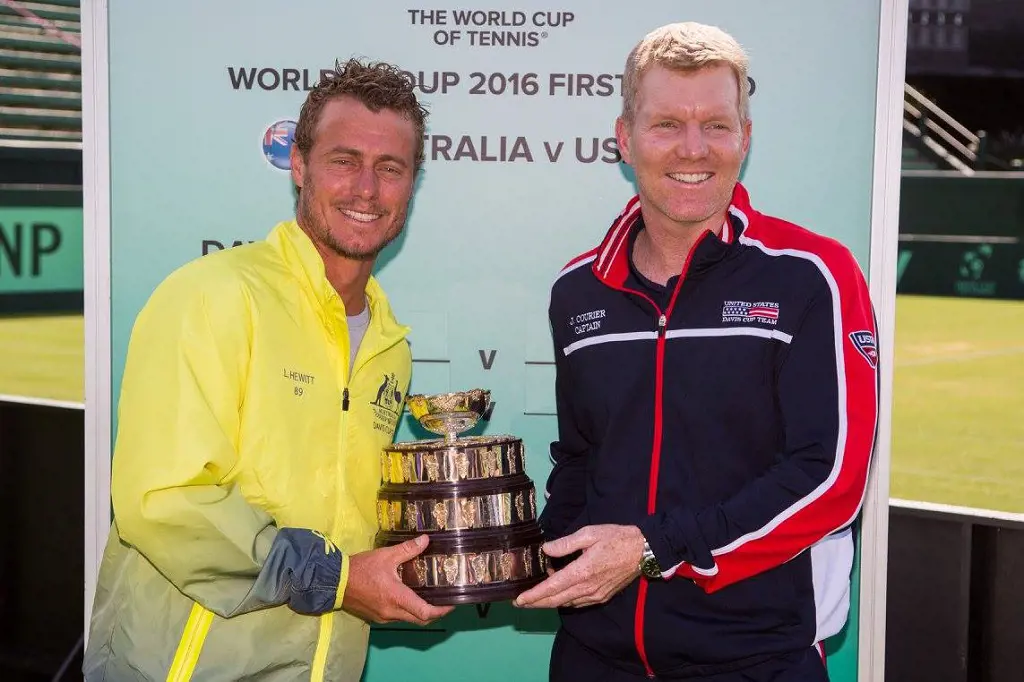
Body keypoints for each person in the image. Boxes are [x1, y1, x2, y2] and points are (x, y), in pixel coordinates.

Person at [514, 22, 879, 682]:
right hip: (595, 658)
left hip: (755, 659)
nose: (693, 147)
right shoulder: (578, 289)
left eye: (716, 124)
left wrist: (655, 548)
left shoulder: (811, 274)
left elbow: (830, 477)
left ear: (746, 136)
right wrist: (529, 557)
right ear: (625, 139)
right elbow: (580, 459)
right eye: (666, 124)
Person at [83, 58, 453, 682]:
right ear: (300, 166)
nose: (367, 188)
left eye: (391, 168)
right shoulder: (215, 295)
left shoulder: (391, 345)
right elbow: (164, 499)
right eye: (344, 160)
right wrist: (332, 578)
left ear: (411, 187)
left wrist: (428, 557)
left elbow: (343, 515)